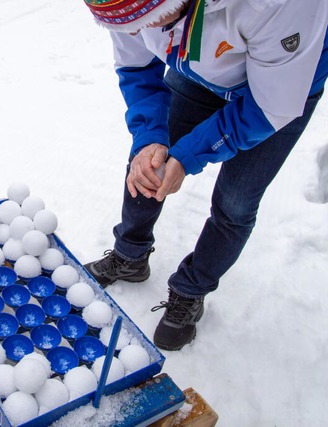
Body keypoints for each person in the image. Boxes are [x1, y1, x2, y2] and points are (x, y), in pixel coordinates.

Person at [81, 0, 328, 350]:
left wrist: (188, 156)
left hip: (279, 88)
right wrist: (149, 135)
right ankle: (130, 255)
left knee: (236, 202)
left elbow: (270, 107)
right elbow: (137, 68)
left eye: (141, 23)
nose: (134, 33)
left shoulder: (279, 4)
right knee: (148, 163)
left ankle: (190, 289)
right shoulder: (128, 11)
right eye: (126, 27)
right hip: (196, 66)